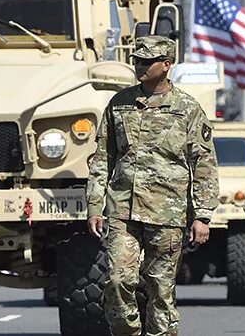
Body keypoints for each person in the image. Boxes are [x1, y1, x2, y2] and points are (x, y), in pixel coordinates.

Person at [86, 35, 219, 336]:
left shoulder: (187, 109)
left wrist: (202, 215)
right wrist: (94, 204)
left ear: (167, 65)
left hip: (167, 214)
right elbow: (102, 159)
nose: (140, 66)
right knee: (117, 280)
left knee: (161, 289)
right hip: (122, 210)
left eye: (147, 61)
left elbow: (204, 165)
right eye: (137, 60)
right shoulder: (119, 105)